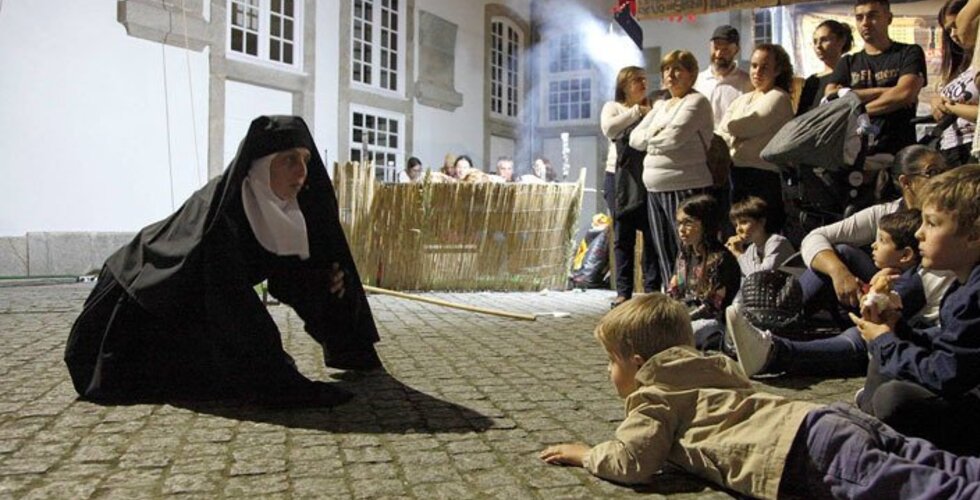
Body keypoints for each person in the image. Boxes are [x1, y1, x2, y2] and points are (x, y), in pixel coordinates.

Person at [64, 116, 381, 407]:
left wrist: (325, 287)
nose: (302, 172)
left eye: (305, 160)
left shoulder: (282, 208)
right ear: (261, 165)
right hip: (137, 303)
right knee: (208, 377)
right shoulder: (222, 217)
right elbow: (235, 309)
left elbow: (287, 278)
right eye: (289, 160)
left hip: (190, 300)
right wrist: (283, 380)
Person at [539, 293, 980, 498]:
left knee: (922, 490)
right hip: (824, 419)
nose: (608, 371)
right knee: (936, 461)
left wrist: (587, 454)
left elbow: (634, 462)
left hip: (806, 452)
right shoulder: (713, 369)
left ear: (637, 364)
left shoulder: (653, 396)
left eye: (611, 361)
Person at [852, 164, 980, 455]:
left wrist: (885, 341)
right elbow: (950, 347)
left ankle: (875, 435)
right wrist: (896, 328)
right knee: (885, 353)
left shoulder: (974, 294)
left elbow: (947, 374)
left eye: (932, 224)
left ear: (973, 236)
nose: (919, 233)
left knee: (893, 398)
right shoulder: (962, 285)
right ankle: (870, 428)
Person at [729, 209, 929, 378]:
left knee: (859, 339)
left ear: (906, 255)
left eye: (882, 241)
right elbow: (816, 239)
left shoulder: (912, 281)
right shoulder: (892, 273)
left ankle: (773, 352)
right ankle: (765, 324)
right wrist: (843, 275)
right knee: (837, 254)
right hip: (870, 321)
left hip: (887, 339)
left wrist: (875, 290)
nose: (873, 245)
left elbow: (878, 311)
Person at [799, 146, 953, 324]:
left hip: (919, 296)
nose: (943, 179)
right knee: (840, 253)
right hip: (882, 289)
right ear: (906, 182)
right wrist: (839, 273)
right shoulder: (884, 213)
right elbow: (815, 237)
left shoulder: (951, 214)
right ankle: (788, 313)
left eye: (945, 171)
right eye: (932, 172)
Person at [629, 50, 715, 284]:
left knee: (687, 247)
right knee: (664, 249)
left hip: (685, 185)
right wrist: (656, 134)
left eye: (678, 69)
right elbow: (634, 139)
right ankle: (672, 294)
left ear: (692, 74)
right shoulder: (661, 106)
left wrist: (651, 139)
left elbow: (673, 138)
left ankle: (692, 297)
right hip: (656, 189)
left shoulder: (696, 102)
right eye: (666, 69)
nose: (671, 74)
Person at [826, 0, 927, 157]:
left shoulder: (909, 52)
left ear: (889, 18)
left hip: (899, 152)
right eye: (859, 17)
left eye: (872, 16)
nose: (865, 23)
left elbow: (904, 94)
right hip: (856, 155)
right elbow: (831, 97)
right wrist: (890, 91)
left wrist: (853, 106)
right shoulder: (847, 62)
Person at [718, 43, 796, 234]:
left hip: (763, 178)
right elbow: (721, 133)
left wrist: (733, 128)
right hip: (736, 175)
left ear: (777, 70)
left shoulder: (779, 97)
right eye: (754, 65)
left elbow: (746, 125)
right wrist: (734, 130)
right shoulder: (743, 99)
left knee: (761, 235)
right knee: (738, 234)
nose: (757, 72)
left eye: (764, 67)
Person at [601, 66, 659, 308]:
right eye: (637, 80)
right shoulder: (613, 107)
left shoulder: (654, 108)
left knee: (652, 235)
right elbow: (609, 129)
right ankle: (624, 292)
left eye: (645, 79)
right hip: (618, 178)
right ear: (624, 85)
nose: (643, 84)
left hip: (646, 175)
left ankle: (652, 290)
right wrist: (637, 112)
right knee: (623, 236)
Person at [667, 195, 740, 350]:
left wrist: (679, 320)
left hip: (712, 324)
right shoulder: (685, 254)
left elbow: (712, 308)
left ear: (705, 223)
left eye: (688, 223)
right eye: (679, 223)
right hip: (684, 317)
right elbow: (675, 290)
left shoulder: (720, 259)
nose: (681, 229)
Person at [932, 0, 978, 167]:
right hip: (949, 149)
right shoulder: (959, 68)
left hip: (972, 148)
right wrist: (936, 102)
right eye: (948, 30)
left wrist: (949, 106)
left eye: (956, 26)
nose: (953, 34)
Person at [693, 25, 753, 128]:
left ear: (736, 50)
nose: (718, 54)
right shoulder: (697, 81)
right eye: (715, 48)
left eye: (725, 49)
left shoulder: (747, 83)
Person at [725, 196, 795, 277]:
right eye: (736, 225)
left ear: (762, 222)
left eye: (744, 222)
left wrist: (738, 254)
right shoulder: (751, 250)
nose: (738, 229)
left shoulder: (777, 242)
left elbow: (761, 277)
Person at [797, 20, 854, 116]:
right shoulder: (813, 81)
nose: (818, 46)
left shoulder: (851, 73)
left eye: (824, 40)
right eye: (815, 41)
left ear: (841, 41)